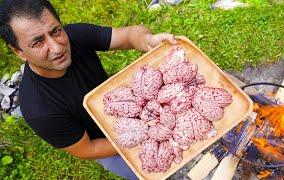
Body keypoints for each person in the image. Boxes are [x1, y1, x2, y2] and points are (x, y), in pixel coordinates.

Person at [0, 0, 178, 179]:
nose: (56, 47)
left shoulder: (74, 35)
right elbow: (87, 149)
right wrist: (143, 135)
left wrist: (148, 40)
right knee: (155, 173)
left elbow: (130, 34)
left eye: (56, 31)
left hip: (129, 109)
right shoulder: (40, 110)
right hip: (108, 144)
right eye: (38, 42)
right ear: (19, 51)